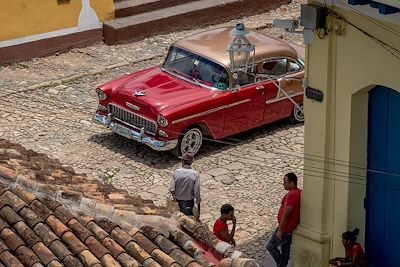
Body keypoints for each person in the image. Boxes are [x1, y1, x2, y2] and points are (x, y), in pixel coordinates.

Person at [266, 172, 301, 267]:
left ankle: (281, 264)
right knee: (285, 250)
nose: (283, 184)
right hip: (288, 229)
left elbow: (286, 215)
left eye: (285, 182)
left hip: (285, 229)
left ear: (292, 182)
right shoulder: (296, 193)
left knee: (270, 246)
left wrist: (280, 230)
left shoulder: (292, 195)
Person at [169, 153, 201, 218]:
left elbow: (172, 189)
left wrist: (174, 197)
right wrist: (198, 204)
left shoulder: (175, 172)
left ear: (182, 161)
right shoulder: (195, 174)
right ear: (191, 162)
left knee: (177, 219)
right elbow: (196, 191)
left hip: (177, 201)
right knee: (187, 220)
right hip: (189, 202)